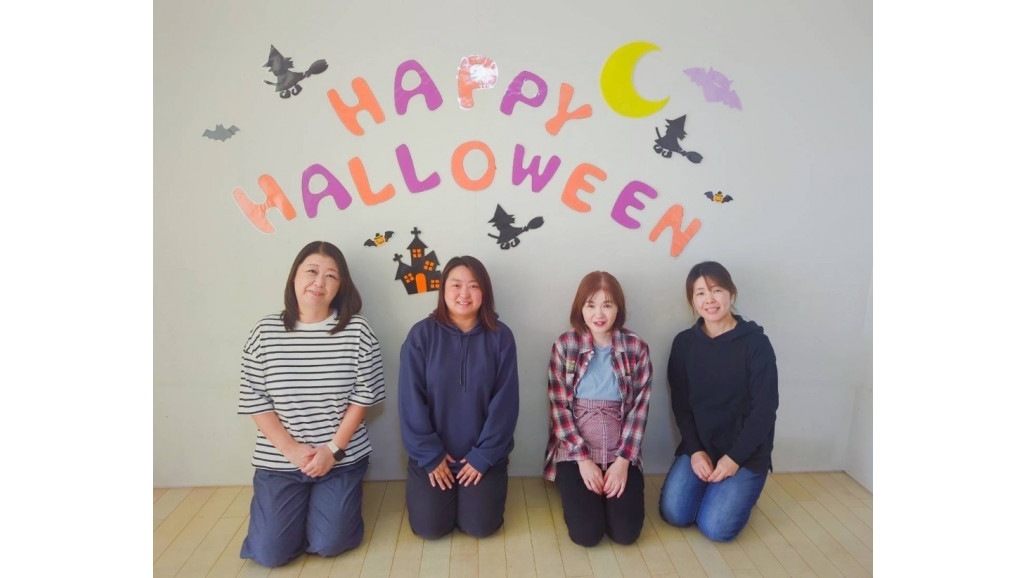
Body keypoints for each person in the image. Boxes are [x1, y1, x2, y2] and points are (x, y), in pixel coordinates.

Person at [237, 241, 385, 567]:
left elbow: (364, 397)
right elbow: (255, 399)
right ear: (294, 277)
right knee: (270, 554)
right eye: (312, 272)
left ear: (340, 286)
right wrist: (291, 450)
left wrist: (331, 450)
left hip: (340, 458)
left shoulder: (357, 331)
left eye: (331, 276)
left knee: (330, 543)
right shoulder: (265, 332)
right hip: (280, 461)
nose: (319, 282)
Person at [398, 255, 520, 539]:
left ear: (484, 292)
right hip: (432, 456)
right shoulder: (421, 335)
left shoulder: (501, 337)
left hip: (483, 456)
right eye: (456, 285)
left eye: (473, 286)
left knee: (480, 527)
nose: (464, 293)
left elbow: (506, 404)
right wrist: (431, 456)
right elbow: (410, 402)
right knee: (430, 528)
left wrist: (482, 456)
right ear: (443, 290)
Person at [659, 261, 779, 542]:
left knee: (716, 528)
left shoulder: (756, 344)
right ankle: (716, 489)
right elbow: (681, 406)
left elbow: (765, 410)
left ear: (731, 293)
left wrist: (734, 459)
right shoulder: (684, 344)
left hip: (744, 453)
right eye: (700, 293)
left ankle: (740, 490)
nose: (709, 300)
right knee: (675, 514)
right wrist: (695, 450)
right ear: (692, 300)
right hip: (701, 447)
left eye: (717, 290)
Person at [543, 271, 653, 546]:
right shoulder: (565, 345)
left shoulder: (636, 347)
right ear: (580, 308)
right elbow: (559, 408)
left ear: (618, 308)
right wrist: (583, 460)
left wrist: (623, 462)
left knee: (626, 533)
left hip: (620, 450)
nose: (599, 314)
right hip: (576, 451)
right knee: (586, 534)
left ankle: (610, 492)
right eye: (590, 305)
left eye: (607, 305)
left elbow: (639, 410)